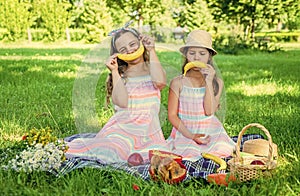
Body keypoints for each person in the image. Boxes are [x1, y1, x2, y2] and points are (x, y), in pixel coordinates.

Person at [65, 26, 169, 164]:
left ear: (141, 42)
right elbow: (122, 103)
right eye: (123, 50)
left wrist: (152, 50)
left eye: (132, 44)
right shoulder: (121, 74)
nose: (130, 50)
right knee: (112, 151)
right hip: (124, 127)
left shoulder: (153, 68)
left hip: (149, 131)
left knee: (153, 154)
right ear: (118, 55)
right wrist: (114, 71)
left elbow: (160, 83)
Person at [167, 30, 235, 161]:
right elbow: (172, 115)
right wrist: (191, 135)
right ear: (186, 55)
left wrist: (209, 81)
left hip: (210, 130)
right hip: (186, 130)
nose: (196, 57)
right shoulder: (177, 83)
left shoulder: (217, 83)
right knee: (188, 154)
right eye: (192, 53)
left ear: (209, 56)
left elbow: (209, 111)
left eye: (202, 53)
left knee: (222, 150)